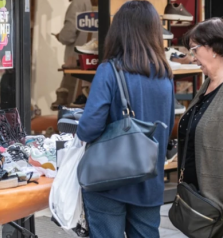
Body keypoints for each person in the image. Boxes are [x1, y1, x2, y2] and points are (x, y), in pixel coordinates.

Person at [76, 1, 174, 237]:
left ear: (118, 31)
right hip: (149, 180)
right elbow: (168, 126)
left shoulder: (109, 71)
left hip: (108, 180)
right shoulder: (165, 75)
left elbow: (89, 129)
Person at [178, 17, 223, 237]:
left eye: (194, 49)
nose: (192, 57)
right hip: (201, 204)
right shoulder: (209, 83)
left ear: (214, 47)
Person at [51, 0, 94, 110]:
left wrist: (60, 36)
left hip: (77, 63)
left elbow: (68, 35)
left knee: (71, 107)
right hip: (98, 63)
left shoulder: (78, 4)